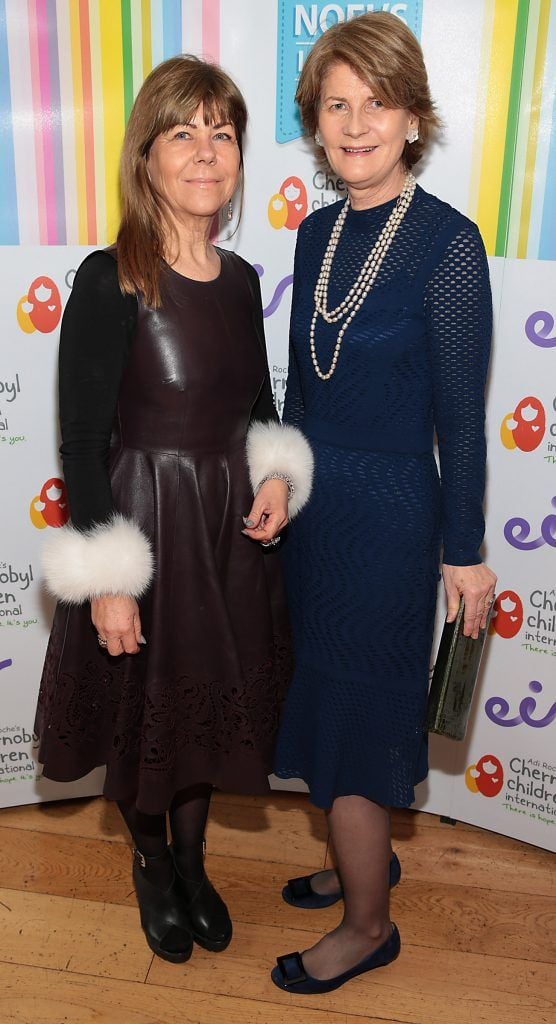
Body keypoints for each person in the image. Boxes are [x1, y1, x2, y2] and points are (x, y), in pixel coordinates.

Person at [36, 55, 313, 965]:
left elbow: (262, 405)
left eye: (222, 134)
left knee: (200, 714)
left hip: (229, 541)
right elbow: (80, 445)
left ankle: (194, 866)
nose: (205, 152)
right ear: (147, 156)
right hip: (146, 535)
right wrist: (110, 580)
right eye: (183, 134)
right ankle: (152, 867)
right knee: (145, 713)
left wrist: (275, 475)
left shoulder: (240, 280)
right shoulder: (110, 277)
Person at [271, 12, 497, 995]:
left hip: (393, 524)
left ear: (413, 119)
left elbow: (461, 417)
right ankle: (358, 856)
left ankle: (369, 925)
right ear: (315, 123)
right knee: (325, 700)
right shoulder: (317, 231)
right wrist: (278, 478)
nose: (355, 122)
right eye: (335, 103)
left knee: (361, 718)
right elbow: (298, 392)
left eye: (377, 102)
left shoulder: (447, 246)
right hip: (316, 521)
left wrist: (465, 551)